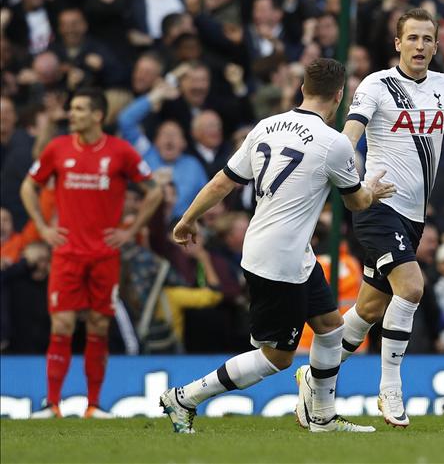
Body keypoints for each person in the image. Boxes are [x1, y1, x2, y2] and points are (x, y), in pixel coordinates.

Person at [159, 58, 395, 434]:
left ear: (302, 88)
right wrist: (372, 191)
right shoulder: (334, 143)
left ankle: (322, 417)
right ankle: (184, 397)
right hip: (279, 261)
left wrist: (188, 219)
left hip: (286, 251)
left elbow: (223, 182)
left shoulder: (266, 126)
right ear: (339, 97)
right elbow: (356, 203)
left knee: (330, 328)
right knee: (277, 358)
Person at [297, 8, 444, 429]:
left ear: (436, 46)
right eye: (412, 38)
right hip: (377, 205)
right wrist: (350, 180)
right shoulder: (376, 85)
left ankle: (314, 379)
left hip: (413, 216)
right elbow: (349, 136)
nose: (419, 46)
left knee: (370, 308)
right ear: (397, 43)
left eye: (427, 39)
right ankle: (390, 388)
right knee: (411, 287)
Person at [19, 88, 163, 418]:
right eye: (72, 108)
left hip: (104, 255)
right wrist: (42, 227)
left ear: (98, 115)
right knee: (62, 325)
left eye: (80, 109)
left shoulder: (120, 151)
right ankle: (51, 404)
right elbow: (28, 185)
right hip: (67, 253)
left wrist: (129, 231)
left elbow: (153, 191)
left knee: (98, 326)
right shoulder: (57, 148)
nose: (72, 114)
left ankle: (93, 405)